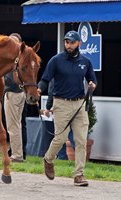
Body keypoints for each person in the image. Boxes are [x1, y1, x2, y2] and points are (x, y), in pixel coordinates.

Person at [37, 30, 97, 186]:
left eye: (72, 42)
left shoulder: (86, 61)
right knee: (61, 138)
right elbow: (45, 79)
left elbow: (92, 79)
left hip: (79, 104)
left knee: (81, 140)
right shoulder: (56, 60)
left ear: (79, 44)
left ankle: (79, 175)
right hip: (61, 103)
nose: (68, 45)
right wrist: (38, 89)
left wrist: (92, 85)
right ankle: (48, 159)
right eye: (66, 42)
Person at [3, 33, 26, 162]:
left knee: (13, 126)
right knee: (16, 125)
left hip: (14, 93)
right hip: (17, 93)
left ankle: (17, 155)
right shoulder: (19, 57)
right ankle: (17, 153)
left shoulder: (16, 59)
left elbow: (12, 79)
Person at [43, 79, 75, 160]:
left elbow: (51, 92)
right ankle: (80, 156)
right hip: (73, 106)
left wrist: (48, 107)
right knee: (72, 133)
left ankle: (62, 156)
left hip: (60, 108)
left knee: (60, 133)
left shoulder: (55, 76)